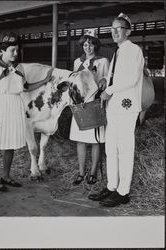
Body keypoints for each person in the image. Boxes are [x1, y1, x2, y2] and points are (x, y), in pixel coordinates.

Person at [88, 13, 144, 206]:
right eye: (111, 29)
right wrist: (106, 81)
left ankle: (123, 192)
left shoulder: (133, 50)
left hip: (126, 107)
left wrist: (109, 90)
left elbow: (131, 79)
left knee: (125, 150)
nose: (114, 32)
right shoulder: (118, 52)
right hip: (114, 107)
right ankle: (112, 186)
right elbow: (116, 76)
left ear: (127, 31)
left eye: (118, 29)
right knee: (111, 149)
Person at [0, 32, 27, 191]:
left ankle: (6, 176)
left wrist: (44, 81)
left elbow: (26, 87)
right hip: (0, 109)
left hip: (15, 107)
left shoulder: (19, 67)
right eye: (12, 50)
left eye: (17, 51)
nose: (16, 54)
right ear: (2, 51)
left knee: (10, 144)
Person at [69, 30, 109, 185]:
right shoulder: (77, 62)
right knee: (80, 140)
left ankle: (92, 173)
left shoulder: (103, 61)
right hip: (80, 105)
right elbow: (74, 81)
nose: (88, 48)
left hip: (95, 103)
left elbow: (108, 78)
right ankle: (81, 172)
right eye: (85, 45)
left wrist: (104, 81)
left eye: (91, 44)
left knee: (94, 141)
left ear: (96, 46)